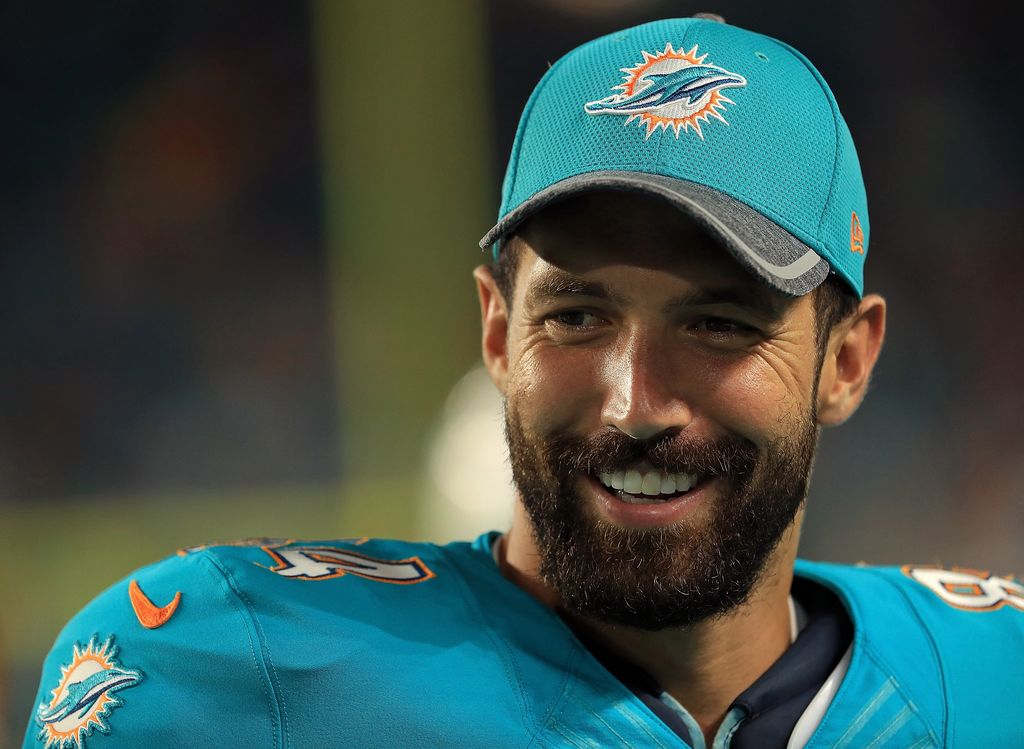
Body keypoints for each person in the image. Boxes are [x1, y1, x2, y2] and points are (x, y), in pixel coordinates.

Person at [24, 15, 1023, 749]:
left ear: (846, 360)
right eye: (577, 317)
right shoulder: (229, 672)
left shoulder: (994, 677)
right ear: (498, 332)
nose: (635, 403)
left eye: (718, 323)